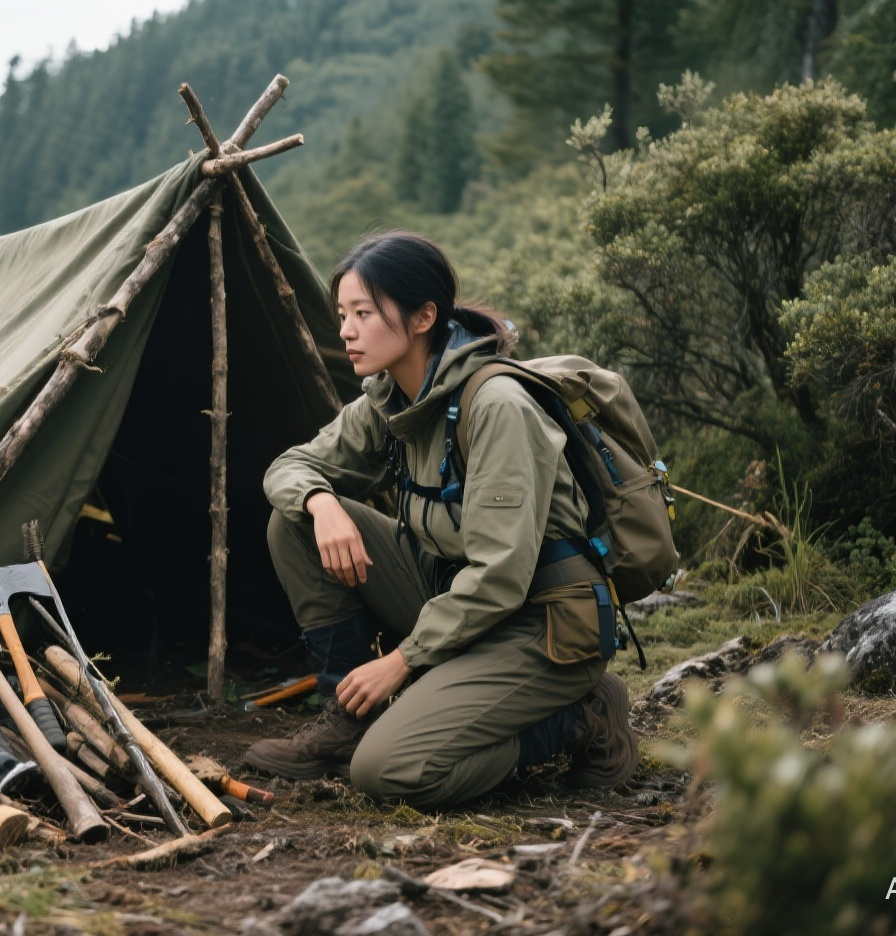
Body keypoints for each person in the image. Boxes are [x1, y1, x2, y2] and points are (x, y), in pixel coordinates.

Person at [243, 231, 638, 810]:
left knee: (389, 772)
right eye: (342, 315)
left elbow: (502, 574)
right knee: (294, 522)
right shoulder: (391, 400)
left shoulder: (497, 405)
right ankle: (348, 717)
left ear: (424, 315)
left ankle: (581, 716)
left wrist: (401, 661)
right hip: (460, 598)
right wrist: (320, 504)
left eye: (363, 314)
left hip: (543, 622)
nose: (346, 331)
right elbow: (289, 468)